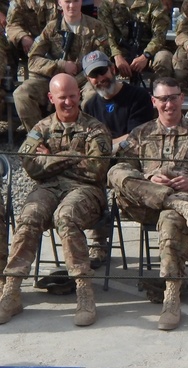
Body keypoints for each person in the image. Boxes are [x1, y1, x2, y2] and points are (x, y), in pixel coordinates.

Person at [108, 77, 188, 330]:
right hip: (145, 204)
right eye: (163, 99)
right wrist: (149, 178)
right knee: (115, 173)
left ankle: (171, 295)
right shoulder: (141, 133)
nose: (169, 104)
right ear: (154, 101)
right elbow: (123, 168)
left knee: (171, 218)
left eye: (173, 97)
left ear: (182, 98)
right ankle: (173, 201)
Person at [0, 74, 112, 327]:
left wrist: (52, 157)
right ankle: (12, 289)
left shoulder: (96, 129)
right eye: (63, 97)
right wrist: (74, 156)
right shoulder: (41, 128)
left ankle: (84, 290)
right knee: (28, 216)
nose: (69, 102)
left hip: (86, 191)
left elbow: (95, 170)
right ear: (51, 98)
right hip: (48, 188)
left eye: (73, 96)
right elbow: (30, 166)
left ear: (79, 95)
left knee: (66, 216)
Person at [80, 49, 155, 269]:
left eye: (102, 71)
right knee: (88, 178)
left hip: (133, 159)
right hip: (103, 161)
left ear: (113, 69)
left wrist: (103, 147)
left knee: (111, 172)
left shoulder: (138, 96)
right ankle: (98, 242)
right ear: (88, 79)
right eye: (94, 75)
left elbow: (136, 136)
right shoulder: (90, 105)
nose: (100, 79)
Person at [14, 0, 114, 131]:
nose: (71, 6)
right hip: (54, 79)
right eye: (67, 1)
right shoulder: (52, 28)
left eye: (75, 1)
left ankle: (89, 136)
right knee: (22, 94)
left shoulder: (96, 27)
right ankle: (38, 136)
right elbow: (33, 60)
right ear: (59, 3)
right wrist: (60, 66)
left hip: (85, 79)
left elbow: (103, 60)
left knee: (92, 97)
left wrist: (76, 78)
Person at [98, 0, 172, 83]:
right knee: (100, 61)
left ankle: (159, 92)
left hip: (149, 50)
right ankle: (109, 93)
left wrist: (146, 56)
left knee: (164, 58)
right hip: (119, 50)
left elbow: (159, 36)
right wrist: (117, 55)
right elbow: (106, 35)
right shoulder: (108, 4)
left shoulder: (154, 3)